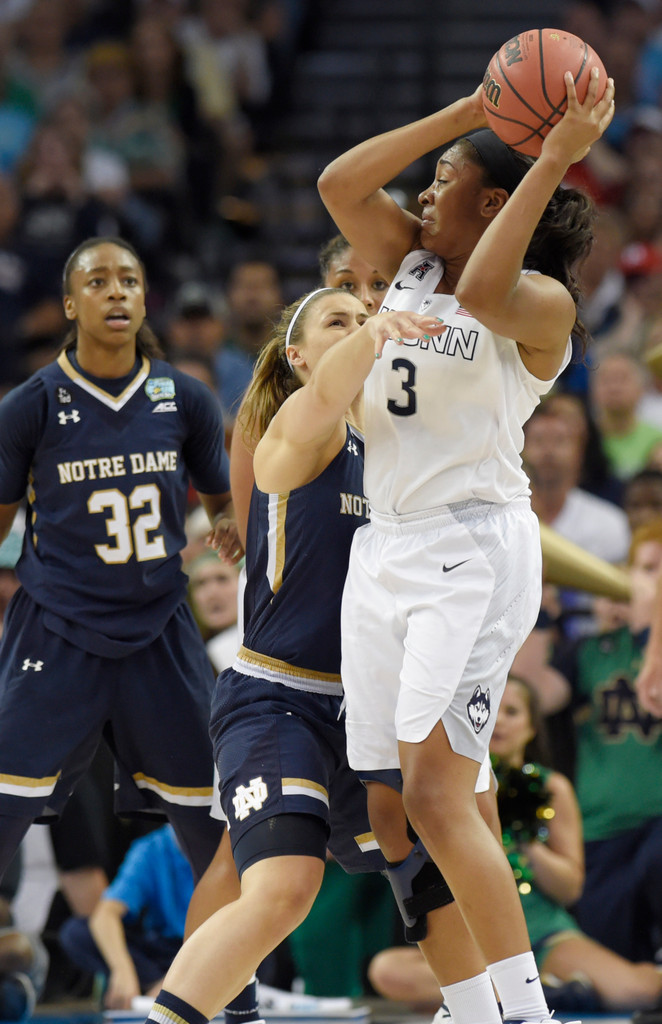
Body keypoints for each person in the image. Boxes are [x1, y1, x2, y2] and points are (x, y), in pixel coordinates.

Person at [316, 67, 614, 1024]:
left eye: (447, 176)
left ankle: (525, 1014)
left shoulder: (542, 305)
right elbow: (337, 186)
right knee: (398, 806)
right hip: (386, 548)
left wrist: (555, 151)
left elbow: (484, 283)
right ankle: (476, 1006)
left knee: (439, 794)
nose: (426, 188)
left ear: (495, 201)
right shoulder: (404, 259)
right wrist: (467, 115)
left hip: (472, 553)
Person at [140, 288, 444, 1024]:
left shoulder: (400, 457)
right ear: (298, 356)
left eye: (363, 316)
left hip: (368, 709)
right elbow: (340, 381)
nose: (361, 327)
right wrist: (375, 328)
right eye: (337, 322)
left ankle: (481, 1009)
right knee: (282, 891)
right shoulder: (301, 427)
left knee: (440, 872)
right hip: (278, 700)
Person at [0, 235, 240, 889]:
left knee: (210, 816)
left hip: (159, 626)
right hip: (58, 624)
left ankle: (239, 992)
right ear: (70, 305)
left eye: (130, 281)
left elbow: (221, 504)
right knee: (5, 803)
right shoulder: (30, 406)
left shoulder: (185, 398)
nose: (117, 293)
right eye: (99, 281)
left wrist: (228, 530)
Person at [367, 675, 662, 1014]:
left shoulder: (553, 788)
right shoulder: (444, 786)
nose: (500, 721)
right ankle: (544, 996)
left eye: (513, 712)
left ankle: (512, 995)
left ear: (532, 727)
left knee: (639, 992)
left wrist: (524, 846)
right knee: (387, 971)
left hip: (543, 934)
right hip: (468, 930)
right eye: (491, 709)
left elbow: (570, 889)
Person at [59, 824, 193, 1010]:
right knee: (77, 932)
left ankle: (171, 989)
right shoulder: (152, 848)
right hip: (163, 950)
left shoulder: (225, 848)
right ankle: (153, 991)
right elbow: (105, 914)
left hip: (209, 948)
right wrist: (122, 970)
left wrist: (176, 980)